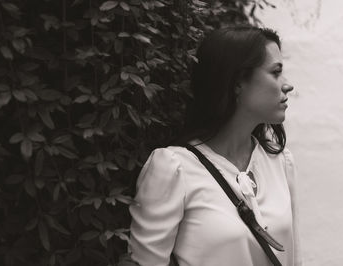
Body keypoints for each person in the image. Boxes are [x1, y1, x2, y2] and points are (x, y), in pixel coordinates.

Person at [128, 25, 302, 266]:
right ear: (238, 82)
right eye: (275, 72)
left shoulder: (280, 162)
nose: (287, 85)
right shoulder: (173, 169)